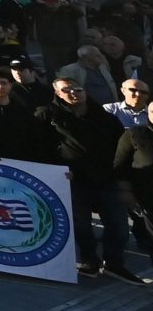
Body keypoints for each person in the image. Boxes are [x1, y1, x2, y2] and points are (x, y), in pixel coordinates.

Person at [44, 75, 137, 280]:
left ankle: (114, 263)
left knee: (118, 226)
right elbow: (39, 146)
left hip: (107, 179)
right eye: (66, 90)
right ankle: (89, 260)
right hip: (73, 180)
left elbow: (121, 146)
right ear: (57, 94)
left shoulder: (104, 116)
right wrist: (55, 169)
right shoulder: (48, 115)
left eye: (77, 89)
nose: (73, 93)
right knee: (82, 226)